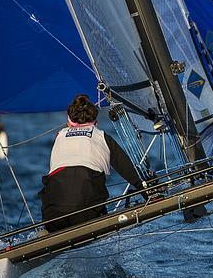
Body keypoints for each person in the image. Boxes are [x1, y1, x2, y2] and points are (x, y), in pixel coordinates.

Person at [38, 94, 152, 232]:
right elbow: (128, 171)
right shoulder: (102, 136)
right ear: (95, 123)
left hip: (53, 214)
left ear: (68, 123)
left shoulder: (59, 136)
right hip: (86, 212)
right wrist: (148, 192)